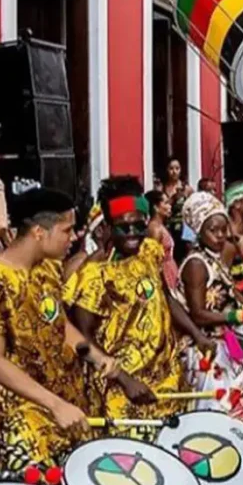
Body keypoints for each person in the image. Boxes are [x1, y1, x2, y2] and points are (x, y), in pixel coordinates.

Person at [0, 188, 116, 468]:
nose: (74, 237)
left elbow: (61, 326)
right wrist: (54, 404)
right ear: (39, 232)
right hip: (23, 416)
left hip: (67, 404)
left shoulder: (48, 268)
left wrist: (98, 358)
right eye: (66, 230)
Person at [70, 177, 207, 437]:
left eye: (138, 226)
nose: (133, 234)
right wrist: (123, 379)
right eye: (124, 227)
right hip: (121, 388)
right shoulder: (94, 273)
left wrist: (197, 335)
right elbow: (82, 337)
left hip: (165, 380)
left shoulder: (150, 251)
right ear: (108, 227)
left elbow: (166, 298)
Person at [176, 191, 243, 410]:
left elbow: (231, 293)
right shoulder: (196, 265)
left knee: (239, 394)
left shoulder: (215, 260)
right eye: (213, 230)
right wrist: (241, 315)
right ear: (199, 231)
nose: (220, 236)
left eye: (224, 229)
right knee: (215, 406)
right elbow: (198, 314)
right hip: (205, 347)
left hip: (228, 340)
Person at [144, 190, 180, 290]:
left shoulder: (161, 226)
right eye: (166, 203)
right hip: (163, 274)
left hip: (170, 271)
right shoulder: (155, 229)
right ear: (156, 207)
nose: (170, 206)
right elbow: (152, 258)